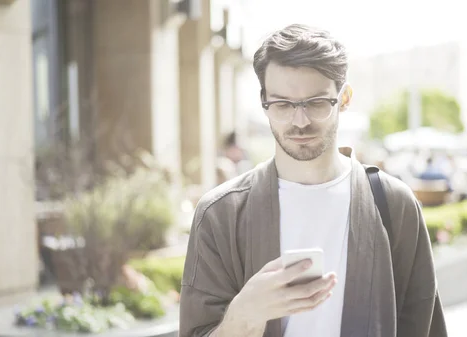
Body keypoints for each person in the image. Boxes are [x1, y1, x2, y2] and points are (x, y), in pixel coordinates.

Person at [179, 24, 447, 337]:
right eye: (283, 104)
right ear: (264, 100)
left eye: (317, 102)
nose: (300, 120)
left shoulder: (393, 203)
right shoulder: (221, 214)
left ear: (344, 98)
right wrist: (244, 315)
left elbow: (425, 327)